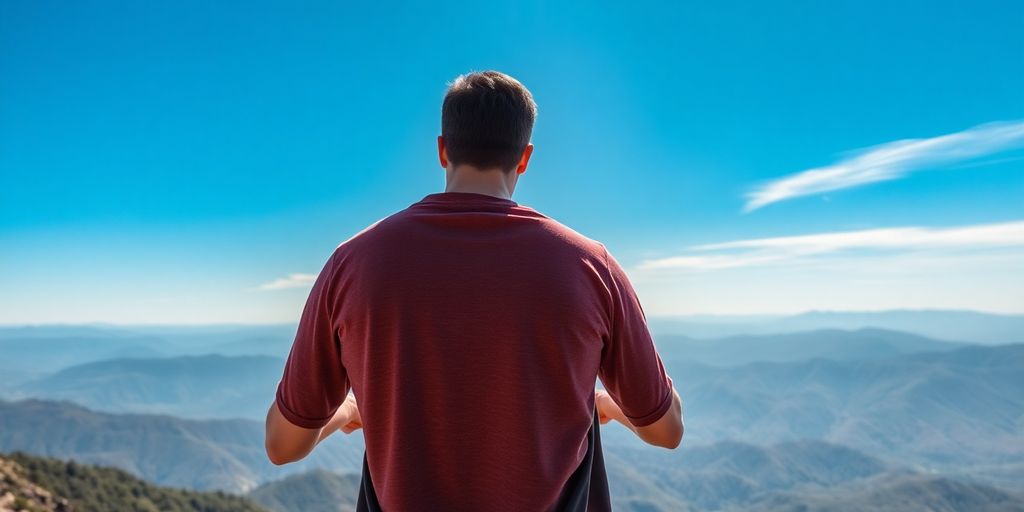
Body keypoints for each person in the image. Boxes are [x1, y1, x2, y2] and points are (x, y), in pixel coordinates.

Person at [264, 70, 684, 511]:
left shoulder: (352, 264)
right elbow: (666, 430)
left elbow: (282, 444)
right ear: (524, 157)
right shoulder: (591, 266)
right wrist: (608, 404)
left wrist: (349, 411)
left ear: (442, 150)